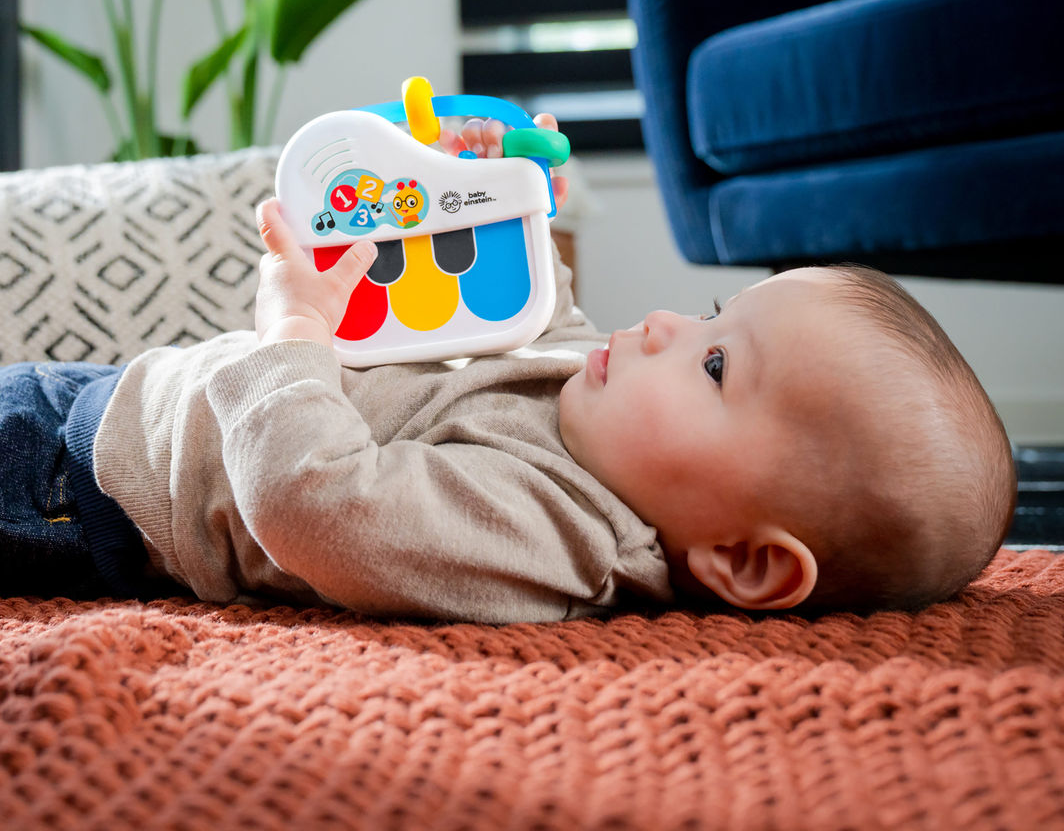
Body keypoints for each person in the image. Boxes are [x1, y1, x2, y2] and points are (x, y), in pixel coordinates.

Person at [0, 116, 1016, 620]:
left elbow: (316, 502)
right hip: (121, 391)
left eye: (714, 361)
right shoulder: (602, 401)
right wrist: (481, 188)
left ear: (745, 559)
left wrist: (299, 324)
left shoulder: (551, 534)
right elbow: (534, 318)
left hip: (81, 488)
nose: (663, 320)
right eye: (709, 311)